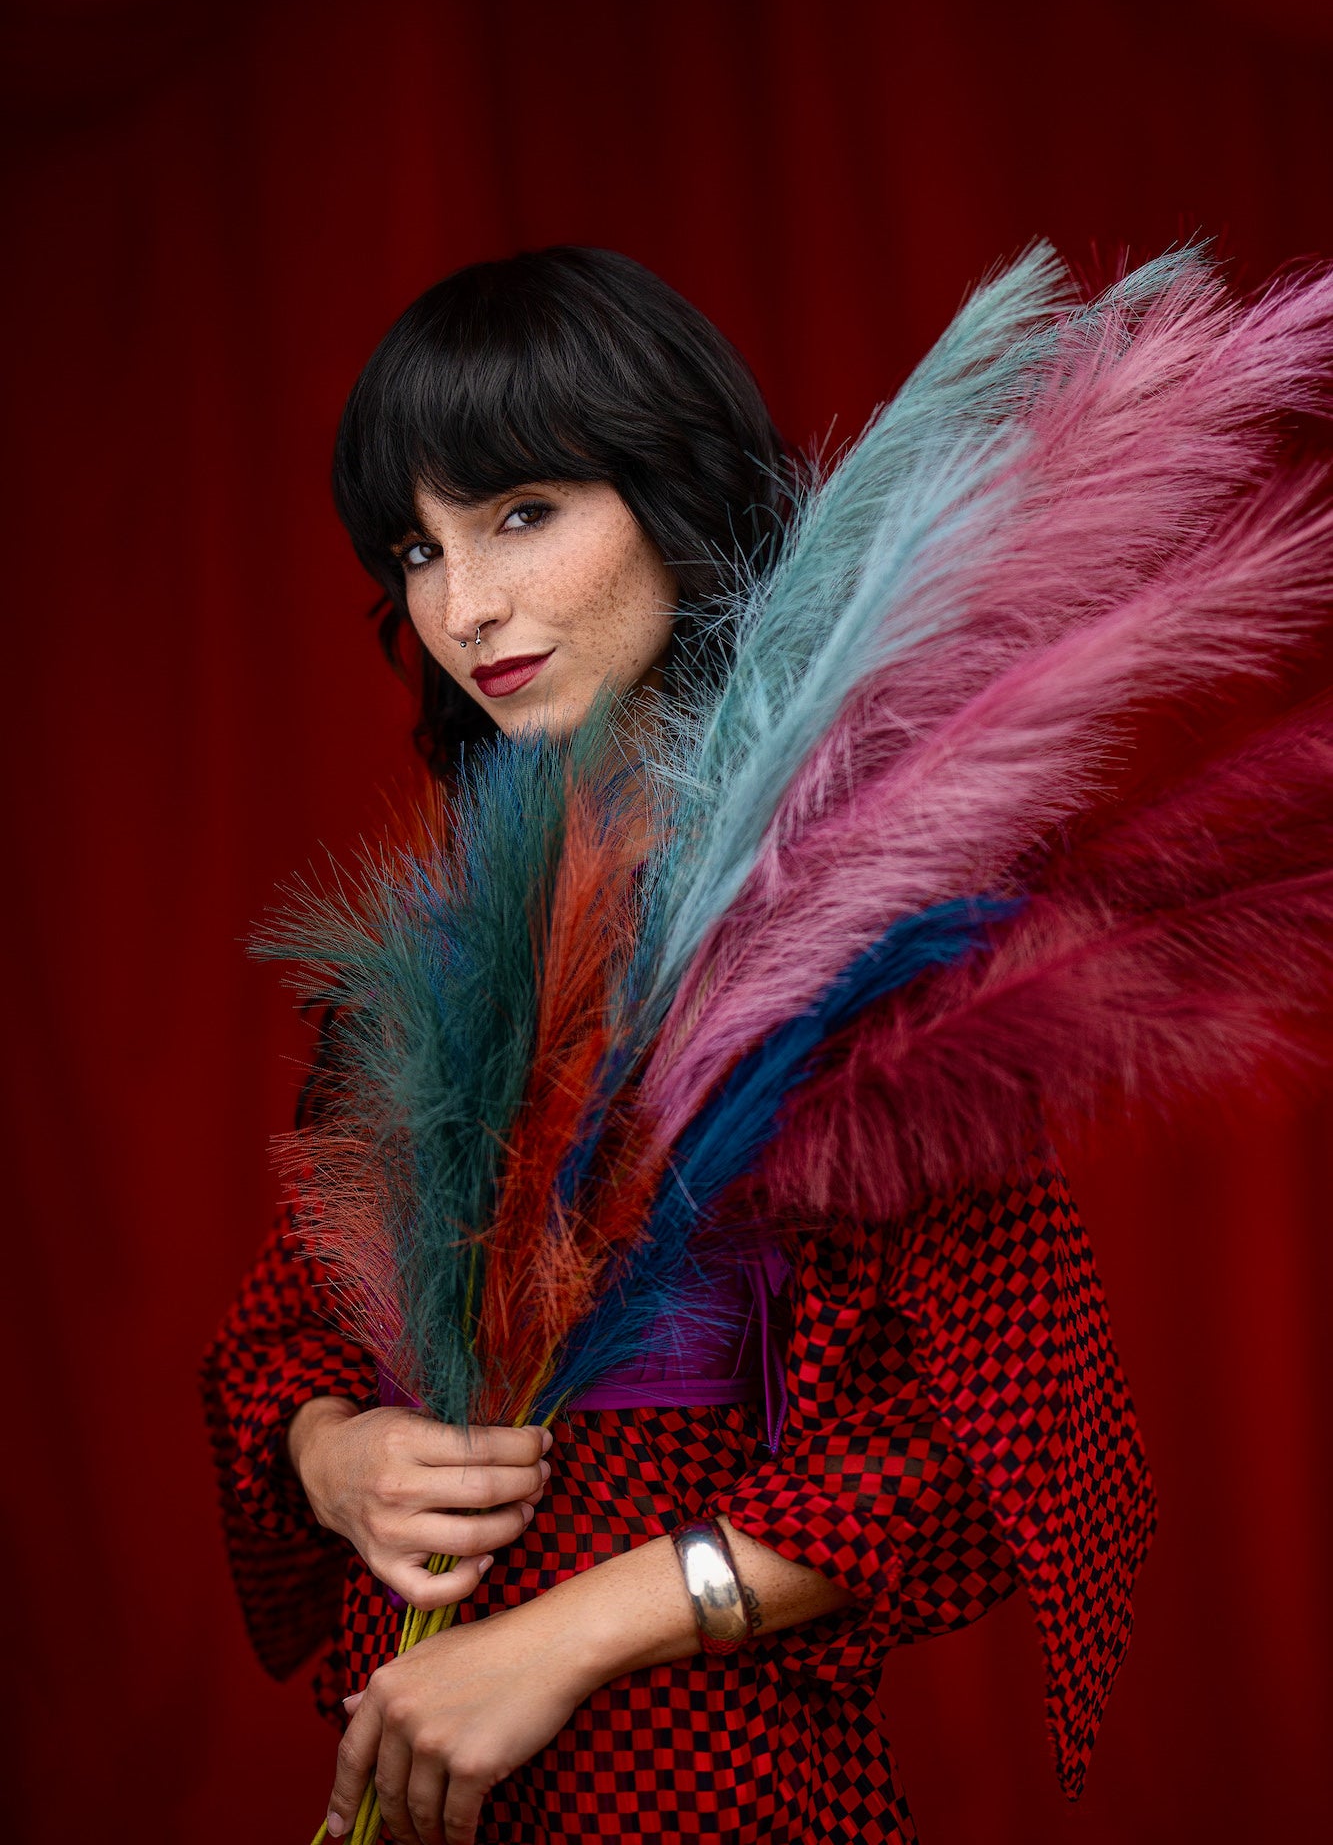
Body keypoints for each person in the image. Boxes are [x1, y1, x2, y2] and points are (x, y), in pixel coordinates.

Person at [203, 248, 1154, 1845]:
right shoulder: (449, 939)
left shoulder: (853, 929)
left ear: (676, 494)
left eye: (521, 512)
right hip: (417, 1770)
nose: (463, 606)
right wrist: (333, 1453)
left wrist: (563, 1639)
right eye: (416, 549)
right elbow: (289, 1323)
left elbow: (979, 1432)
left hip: (699, 1777)